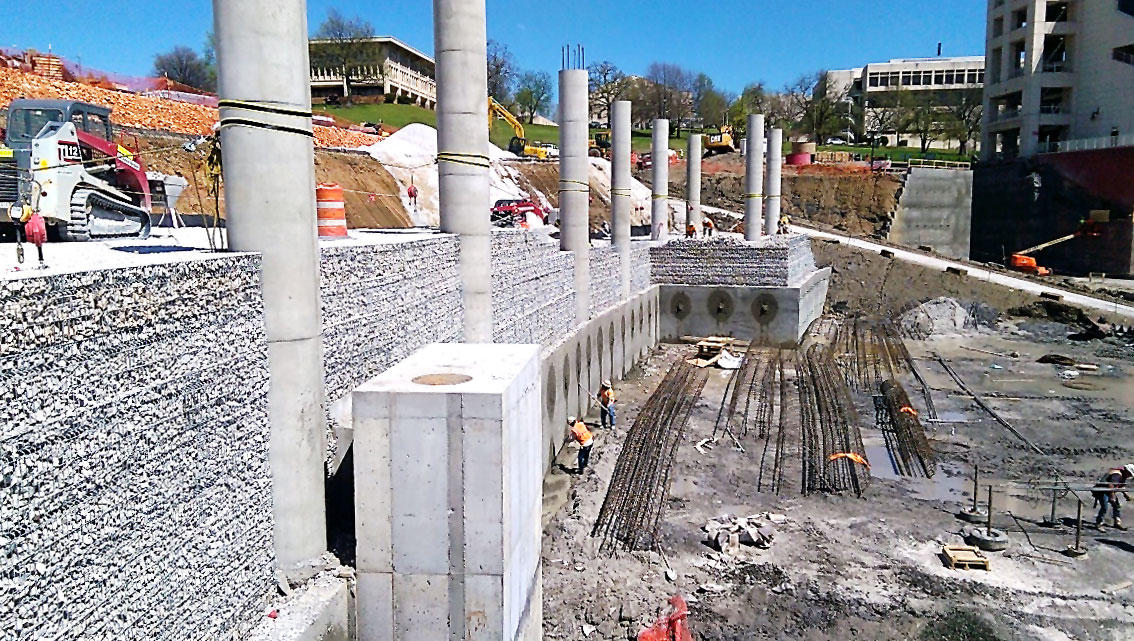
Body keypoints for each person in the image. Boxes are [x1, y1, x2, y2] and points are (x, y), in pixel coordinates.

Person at [1093, 464, 1134, 531]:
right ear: (1127, 471)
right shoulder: (1117, 474)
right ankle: (1099, 523)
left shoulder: (1122, 475)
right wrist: (1112, 497)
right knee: (1104, 507)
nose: (1129, 476)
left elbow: (1120, 486)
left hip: (1109, 491)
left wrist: (1125, 495)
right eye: (1129, 474)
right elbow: (1111, 484)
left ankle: (1117, 522)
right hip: (1103, 491)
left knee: (1116, 506)